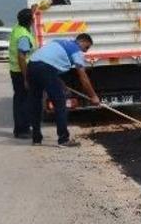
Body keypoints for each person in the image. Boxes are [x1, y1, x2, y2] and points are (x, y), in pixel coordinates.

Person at [27, 33, 100, 147]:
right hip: (45, 69)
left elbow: (51, 61)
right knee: (60, 103)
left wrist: (59, 82)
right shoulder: (76, 50)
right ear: (81, 42)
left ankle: (36, 139)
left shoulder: (60, 42)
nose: (85, 51)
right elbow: (83, 77)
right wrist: (93, 96)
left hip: (32, 66)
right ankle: (63, 140)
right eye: (86, 47)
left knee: (36, 102)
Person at [8, 8, 38, 138]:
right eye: (32, 18)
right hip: (21, 72)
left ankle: (21, 128)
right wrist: (26, 78)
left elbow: (24, 19)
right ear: (29, 21)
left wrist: (32, 10)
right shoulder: (24, 36)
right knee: (23, 101)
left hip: (15, 70)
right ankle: (22, 130)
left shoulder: (18, 28)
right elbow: (21, 57)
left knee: (20, 99)